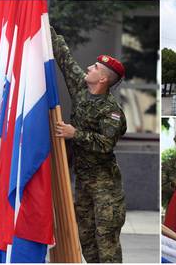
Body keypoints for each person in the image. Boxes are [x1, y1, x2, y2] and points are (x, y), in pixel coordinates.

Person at [51, 27, 127, 263]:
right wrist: (45, 25)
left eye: (94, 67)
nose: (88, 68)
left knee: (106, 244)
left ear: (103, 79)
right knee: (86, 242)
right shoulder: (82, 91)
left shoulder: (111, 111)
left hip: (105, 187)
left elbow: (106, 144)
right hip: (83, 182)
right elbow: (64, 58)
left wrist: (76, 134)